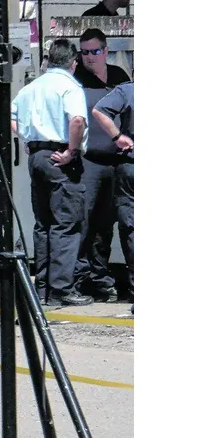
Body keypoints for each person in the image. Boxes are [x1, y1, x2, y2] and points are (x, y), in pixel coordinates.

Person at [12, 39, 95, 307]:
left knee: (43, 223)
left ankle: (45, 287)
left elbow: (10, 115)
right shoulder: (69, 86)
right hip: (61, 156)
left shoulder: (30, 87)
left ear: (48, 60)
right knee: (66, 223)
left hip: (37, 155)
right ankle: (61, 289)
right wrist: (72, 150)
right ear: (73, 63)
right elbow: (78, 120)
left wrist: (27, 136)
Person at [74, 28, 131, 301]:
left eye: (94, 51)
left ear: (105, 51)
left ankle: (102, 276)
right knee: (86, 221)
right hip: (89, 160)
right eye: (84, 52)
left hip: (118, 161)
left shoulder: (120, 77)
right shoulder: (77, 80)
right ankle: (82, 277)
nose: (89, 57)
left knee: (108, 223)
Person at [90, 83, 134, 305]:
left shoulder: (127, 90)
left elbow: (99, 110)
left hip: (131, 162)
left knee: (132, 227)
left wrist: (118, 137)